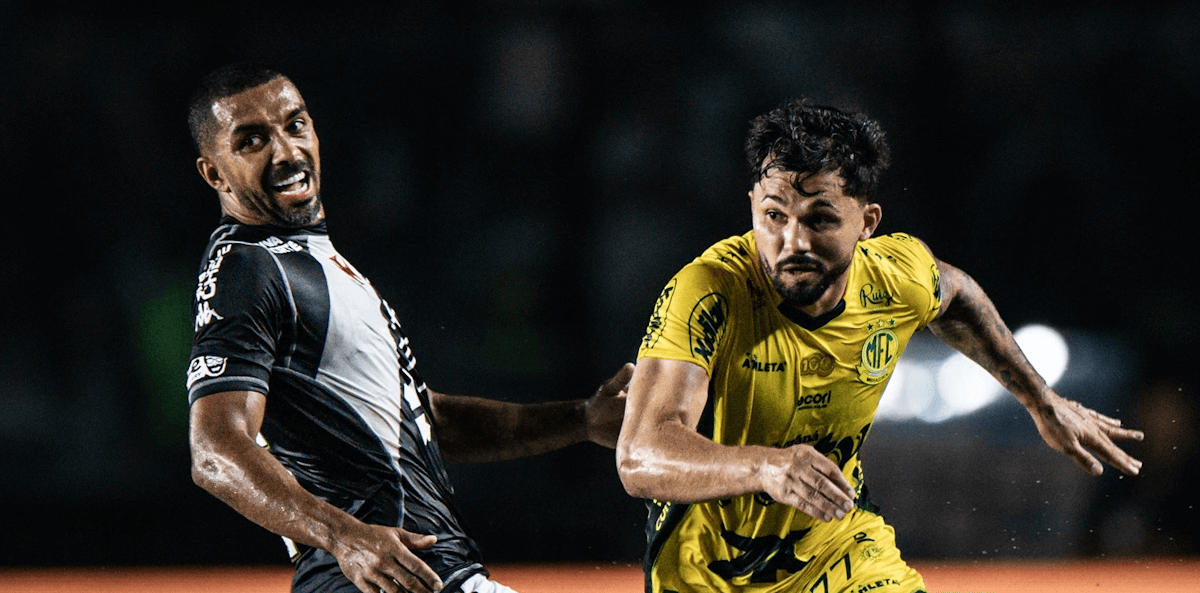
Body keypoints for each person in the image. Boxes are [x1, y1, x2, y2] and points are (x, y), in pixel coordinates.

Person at [615, 98, 1145, 593]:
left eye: (820, 218)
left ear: (867, 222)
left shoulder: (894, 276)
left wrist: (1041, 400)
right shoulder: (708, 291)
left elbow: (959, 296)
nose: (793, 242)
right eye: (774, 215)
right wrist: (765, 467)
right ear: (753, 204)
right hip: (705, 573)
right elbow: (639, 455)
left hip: (837, 550)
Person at [184, 63, 633, 593]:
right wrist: (345, 537)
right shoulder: (248, 267)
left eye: (295, 125)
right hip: (382, 580)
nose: (286, 152)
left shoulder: (313, 263)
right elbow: (214, 449)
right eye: (252, 141)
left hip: (423, 575)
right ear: (214, 174)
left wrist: (582, 419)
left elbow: (427, 421)